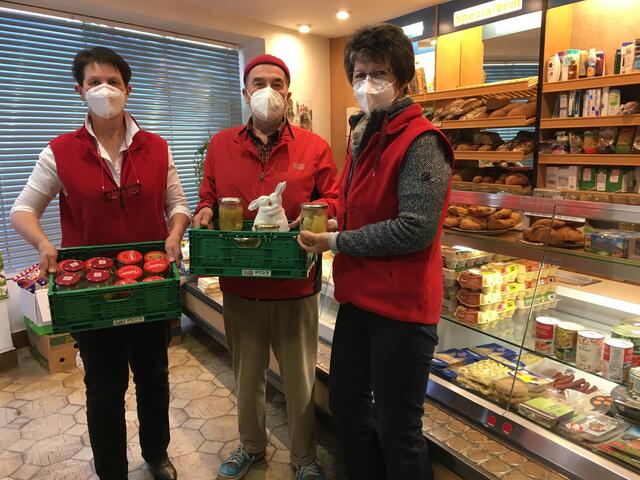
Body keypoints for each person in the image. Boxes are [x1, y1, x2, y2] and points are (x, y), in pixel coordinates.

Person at [10, 47, 191, 480]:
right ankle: (111, 469)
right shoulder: (60, 152)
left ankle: (156, 454)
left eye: (112, 81)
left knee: (154, 378)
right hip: (91, 292)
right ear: (80, 91)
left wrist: (174, 234)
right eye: (94, 83)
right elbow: (22, 209)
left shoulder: (157, 147)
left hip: (149, 283)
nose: (104, 90)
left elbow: (178, 204)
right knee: (104, 387)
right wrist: (43, 244)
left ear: (128, 89)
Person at [298, 24, 454, 480]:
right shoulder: (361, 136)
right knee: (347, 409)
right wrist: (332, 223)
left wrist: (337, 241)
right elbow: (363, 208)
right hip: (358, 300)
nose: (367, 83)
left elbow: (415, 230)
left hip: (403, 311)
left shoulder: (423, 142)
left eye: (379, 72)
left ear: (402, 78)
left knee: (398, 430)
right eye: (360, 74)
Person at [192, 54, 339, 480]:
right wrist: (203, 213)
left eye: (276, 83)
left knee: (299, 381)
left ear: (288, 94)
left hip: (296, 285)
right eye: (258, 83)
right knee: (247, 376)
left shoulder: (314, 146)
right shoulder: (221, 145)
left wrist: (314, 217)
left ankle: (304, 457)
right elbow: (208, 196)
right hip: (240, 286)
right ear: (245, 92)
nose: (267, 91)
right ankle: (252, 447)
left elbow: (333, 200)